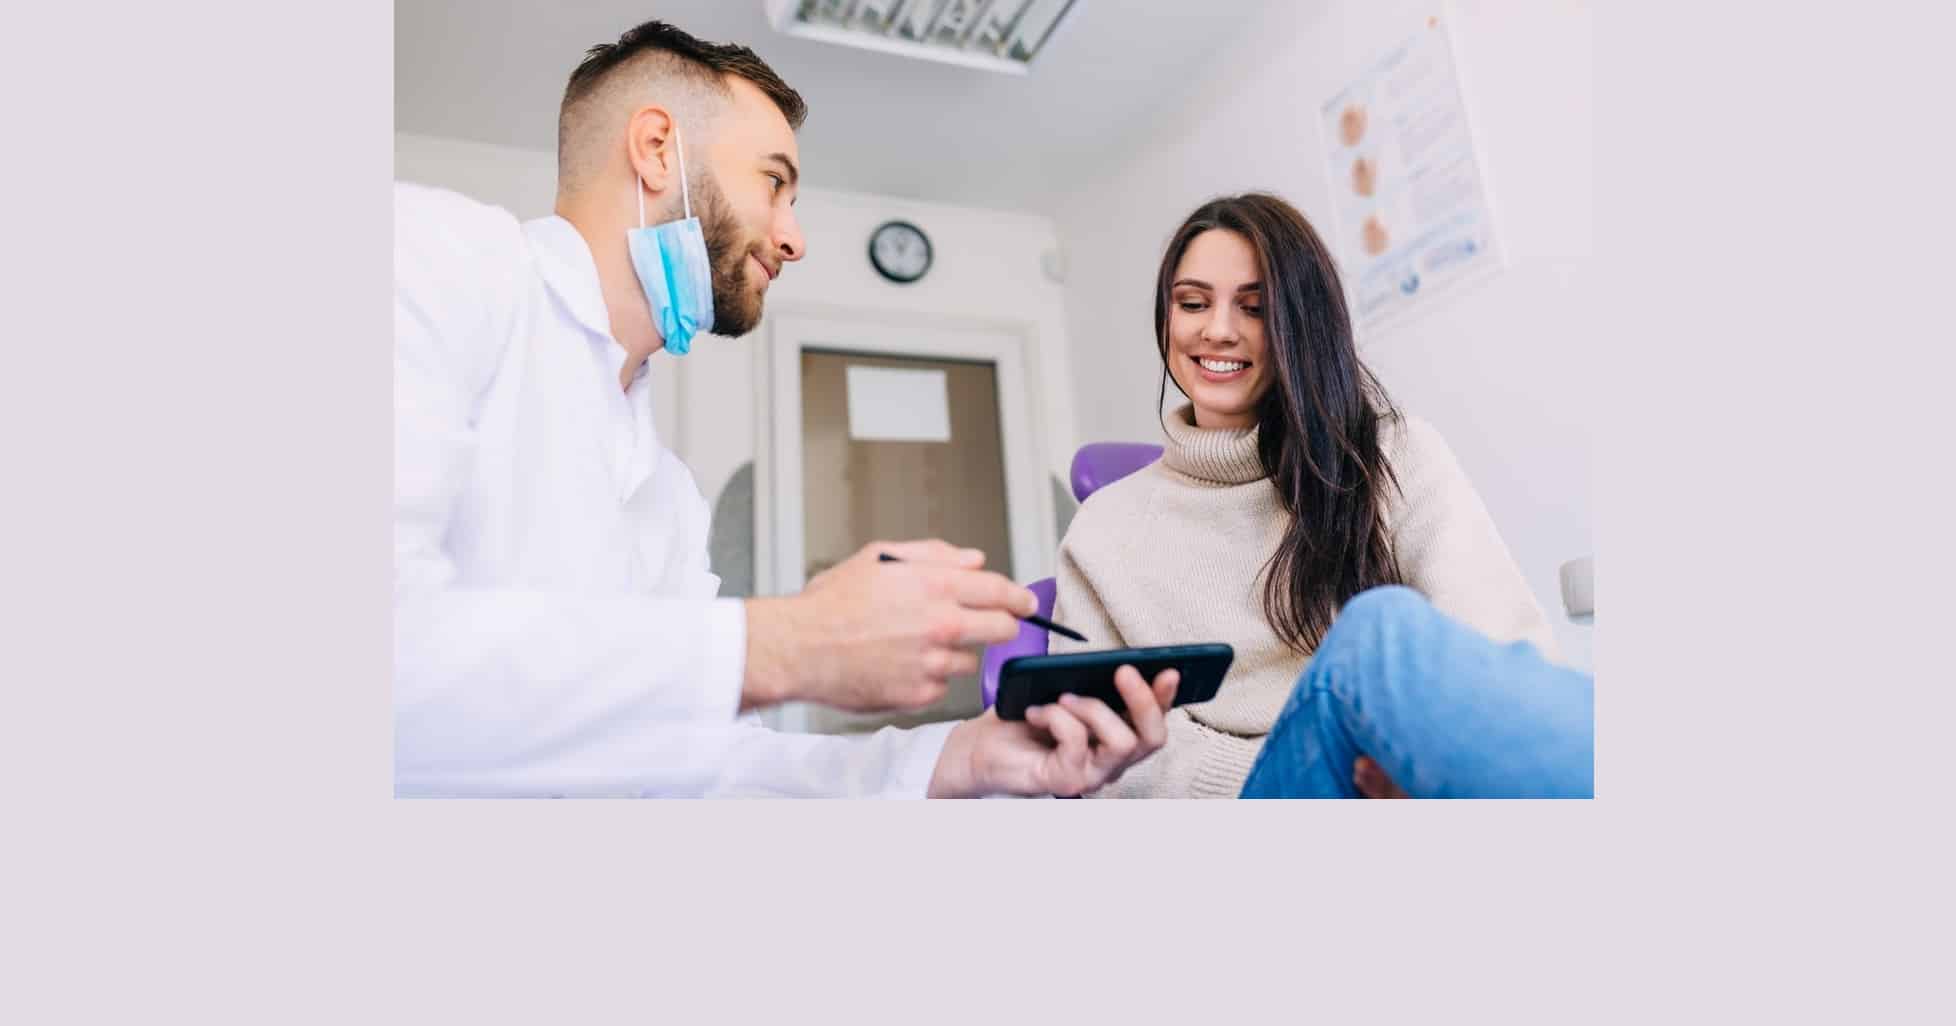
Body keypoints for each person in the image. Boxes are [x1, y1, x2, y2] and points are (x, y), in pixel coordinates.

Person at [393, 20, 1178, 798]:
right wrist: (790, 642)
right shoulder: (437, 258)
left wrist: (962, 759)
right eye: (774, 182)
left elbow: (709, 765)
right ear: (657, 149)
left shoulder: (663, 490)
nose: (794, 239)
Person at [1050, 192, 1561, 798]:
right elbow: (1098, 745)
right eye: (1192, 303)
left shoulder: (1395, 457)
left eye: (1255, 308)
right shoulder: (1104, 528)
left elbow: (1503, 652)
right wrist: (1304, 786)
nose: (1217, 330)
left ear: (1302, 324)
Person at [1240, 586, 1593, 799]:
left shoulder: (1383, 463)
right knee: (1371, 635)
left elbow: (1499, 661)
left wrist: (1434, 768)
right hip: (1286, 779)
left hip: (1402, 761)